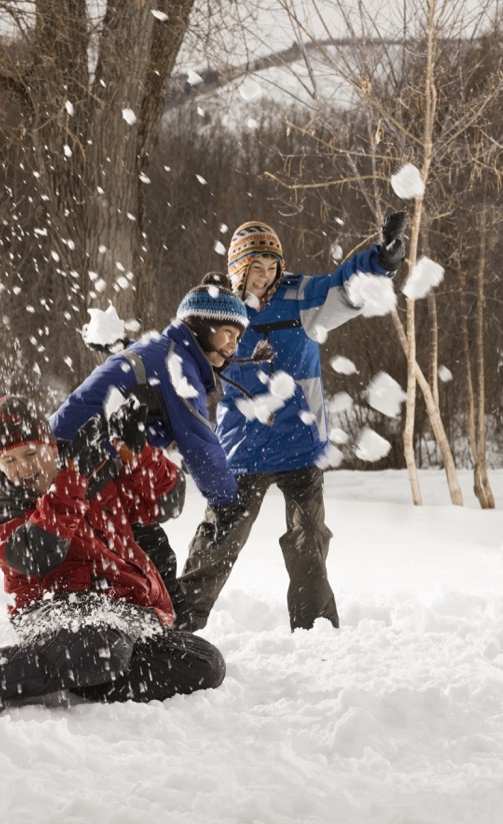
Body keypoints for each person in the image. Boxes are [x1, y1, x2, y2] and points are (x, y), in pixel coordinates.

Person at [0, 396, 225, 713]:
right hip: (54, 614)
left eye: (31, 454)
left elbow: (167, 502)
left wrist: (136, 450)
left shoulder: (97, 474)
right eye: (10, 461)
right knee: (99, 647)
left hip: (123, 615)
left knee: (205, 663)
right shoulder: (2, 511)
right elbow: (39, 554)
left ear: (50, 445)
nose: (23, 468)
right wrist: (70, 482)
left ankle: (83, 676)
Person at [176, 213, 409, 632]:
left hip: (300, 442)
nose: (264, 277)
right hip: (243, 445)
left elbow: (344, 286)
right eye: (254, 268)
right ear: (237, 270)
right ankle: (178, 621)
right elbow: (177, 350)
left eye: (271, 268)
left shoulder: (299, 298)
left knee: (308, 543)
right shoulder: (219, 307)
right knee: (220, 538)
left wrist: (381, 262)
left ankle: (315, 630)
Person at [50, 273, 251, 617]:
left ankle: (144, 626)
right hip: (85, 465)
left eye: (238, 336)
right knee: (150, 559)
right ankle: (166, 638)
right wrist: (228, 500)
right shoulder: (178, 366)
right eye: (228, 333)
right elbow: (200, 444)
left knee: (141, 547)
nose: (234, 344)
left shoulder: (164, 351)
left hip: (82, 463)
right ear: (201, 327)